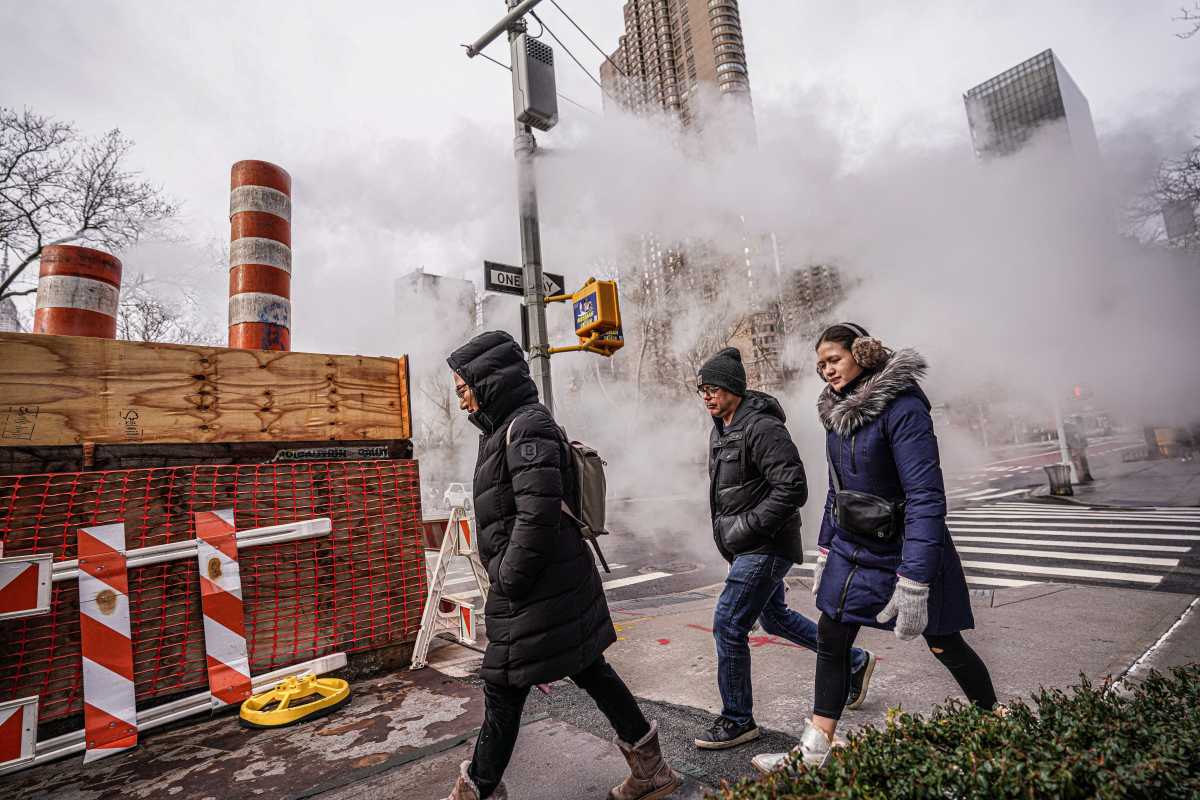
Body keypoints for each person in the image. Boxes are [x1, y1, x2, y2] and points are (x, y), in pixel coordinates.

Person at [442, 331, 681, 800]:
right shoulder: (503, 427)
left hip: (535, 587)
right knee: (588, 666)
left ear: (490, 380)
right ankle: (652, 770)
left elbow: (538, 510)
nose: (461, 397)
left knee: (503, 686)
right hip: (548, 584)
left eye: (463, 386)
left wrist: (509, 576)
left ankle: (478, 789)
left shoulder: (524, 426)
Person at [752, 323, 999, 772]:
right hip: (852, 546)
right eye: (820, 365)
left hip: (907, 547)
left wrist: (917, 576)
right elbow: (836, 489)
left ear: (863, 353)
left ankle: (996, 722)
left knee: (944, 642)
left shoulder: (904, 408)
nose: (826, 371)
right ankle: (815, 747)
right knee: (832, 634)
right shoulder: (836, 413)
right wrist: (824, 551)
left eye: (834, 360)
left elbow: (926, 496)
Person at [694, 347, 876, 752]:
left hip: (765, 546)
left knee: (728, 623)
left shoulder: (761, 428)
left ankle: (738, 719)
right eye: (702, 389)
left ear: (734, 389)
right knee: (774, 619)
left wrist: (746, 528)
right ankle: (855, 661)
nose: (706, 396)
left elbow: (793, 488)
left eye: (714, 388)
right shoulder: (720, 428)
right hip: (745, 547)